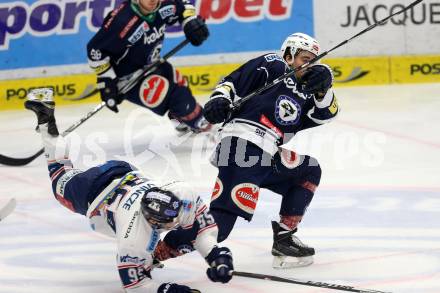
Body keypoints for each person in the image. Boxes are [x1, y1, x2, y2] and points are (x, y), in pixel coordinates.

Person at [157, 33, 339, 269]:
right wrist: (218, 101)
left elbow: (327, 113)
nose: (310, 65)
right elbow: (232, 82)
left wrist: (324, 88)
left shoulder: (307, 92)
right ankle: (154, 254)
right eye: (305, 58)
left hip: (266, 152)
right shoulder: (274, 64)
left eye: (314, 61)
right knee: (218, 227)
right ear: (289, 55)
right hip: (242, 146)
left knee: (309, 170)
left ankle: (284, 238)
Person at [24, 88, 234, 292]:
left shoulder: (182, 194)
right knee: (59, 176)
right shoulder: (132, 237)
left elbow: (203, 229)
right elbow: (135, 287)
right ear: (153, 221)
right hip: (92, 190)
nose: (175, 222)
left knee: (186, 233)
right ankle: (46, 119)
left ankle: (149, 259)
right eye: (169, 222)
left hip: (123, 174)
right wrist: (169, 290)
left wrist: (217, 255)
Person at [87, 0, 210, 134]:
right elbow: (95, 51)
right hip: (130, 79)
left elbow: (185, 7)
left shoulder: (164, 5)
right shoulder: (122, 21)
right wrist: (107, 81)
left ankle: (180, 119)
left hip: (152, 63)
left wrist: (190, 22)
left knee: (181, 85)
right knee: (179, 98)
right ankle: (202, 124)